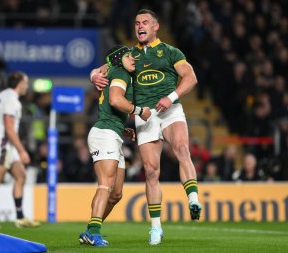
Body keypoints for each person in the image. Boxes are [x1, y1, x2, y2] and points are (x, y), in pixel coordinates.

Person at [90, 9, 202, 245]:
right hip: (145, 115)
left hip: (169, 109)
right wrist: (93, 76)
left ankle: (193, 199)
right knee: (151, 171)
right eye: (136, 23)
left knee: (182, 149)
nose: (139, 26)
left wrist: (171, 97)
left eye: (145, 22)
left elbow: (190, 77)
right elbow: (99, 69)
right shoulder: (129, 55)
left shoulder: (171, 52)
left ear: (155, 27)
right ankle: (155, 228)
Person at [79, 45, 151, 246]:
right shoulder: (120, 72)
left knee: (116, 193)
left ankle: (90, 230)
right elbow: (115, 99)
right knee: (106, 184)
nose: (133, 59)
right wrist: (139, 110)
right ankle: (93, 232)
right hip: (104, 133)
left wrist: (123, 128)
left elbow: (102, 81)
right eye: (129, 55)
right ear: (119, 58)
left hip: (113, 133)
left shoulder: (117, 72)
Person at [0, 71, 39, 229]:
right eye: (26, 82)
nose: (27, 86)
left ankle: (20, 217)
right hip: (5, 145)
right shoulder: (12, 101)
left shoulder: (0, 96)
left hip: (4, 143)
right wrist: (22, 150)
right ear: (20, 84)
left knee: (21, 176)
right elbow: (10, 129)